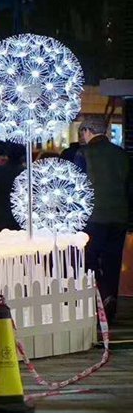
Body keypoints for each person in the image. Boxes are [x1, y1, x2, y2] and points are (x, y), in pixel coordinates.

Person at [76, 118, 129, 323]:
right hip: (119, 216)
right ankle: (111, 305)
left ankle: (98, 300)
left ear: (88, 131)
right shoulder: (122, 154)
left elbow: (77, 185)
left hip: (93, 217)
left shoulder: (83, 154)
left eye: (83, 132)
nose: (82, 137)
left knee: (89, 260)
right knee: (113, 260)